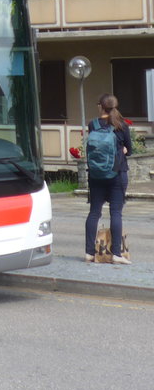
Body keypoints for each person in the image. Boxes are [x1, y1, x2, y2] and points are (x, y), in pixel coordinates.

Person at [84, 93, 132, 265]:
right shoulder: (121, 125)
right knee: (116, 213)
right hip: (117, 174)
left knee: (94, 212)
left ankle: (90, 253)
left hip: (96, 176)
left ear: (101, 106)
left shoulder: (93, 124)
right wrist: (124, 151)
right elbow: (130, 149)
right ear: (115, 107)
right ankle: (116, 254)